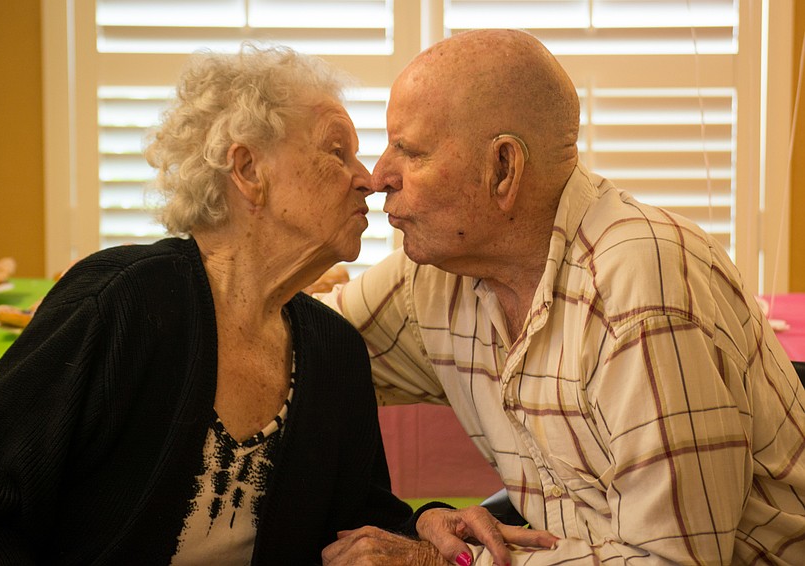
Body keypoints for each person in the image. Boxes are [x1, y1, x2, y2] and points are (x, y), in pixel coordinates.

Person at [0, 44, 460, 564]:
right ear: (247, 169)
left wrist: (423, 526)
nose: (370, 179)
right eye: (337, 152)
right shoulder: (122, 302)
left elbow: (356, 523)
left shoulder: (334, 351)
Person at [320, 29, 805, 565]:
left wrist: (436, 563)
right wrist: (421, 519)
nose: (379, 176)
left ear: (503, 169)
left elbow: (671, 563)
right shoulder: (439, 275)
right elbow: (300, 352)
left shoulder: (640, 289)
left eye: (408, 151)